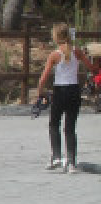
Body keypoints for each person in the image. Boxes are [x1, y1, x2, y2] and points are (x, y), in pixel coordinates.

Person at [35, 23, 98, 173]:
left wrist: (40, 92)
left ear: (57, 38)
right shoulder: (77, 52)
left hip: (60, 92)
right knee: (70, 128)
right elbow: (92, 68)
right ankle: (71, 162)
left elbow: (43, 77)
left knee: (54, 124)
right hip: (74, 92)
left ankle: (56, 156)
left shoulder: (55, 55)